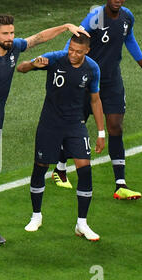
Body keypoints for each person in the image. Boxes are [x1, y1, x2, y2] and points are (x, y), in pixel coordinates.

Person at [0, 14, 90, 245]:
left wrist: (65, 27)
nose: (10, 37)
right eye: (5, 33)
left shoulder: (15, 48)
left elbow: (38, 38)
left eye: (12, 33)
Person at [51, 0, 142, 200]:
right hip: (87, 81)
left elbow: (129, 39)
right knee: (74, 126)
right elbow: (73, 41)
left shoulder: (127, 16)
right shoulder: (96, 16)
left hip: (113, 82)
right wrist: (65, 68)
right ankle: (60, 168)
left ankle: (120, 185)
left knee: (115, 126)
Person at [17, 33, 105, 241]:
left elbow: (95, 100)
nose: (73, 54)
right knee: (40, 168)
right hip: (50, 124)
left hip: (75, 125)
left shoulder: (92, 69)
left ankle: (81, 223)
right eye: (71, 50)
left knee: (85, 170)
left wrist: (101, 133)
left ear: (87, 51)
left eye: (78, 52)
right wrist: (33, 64)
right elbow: (21, 68)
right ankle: (36, 216)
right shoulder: (56, 58)